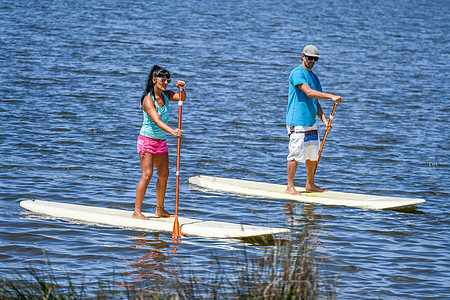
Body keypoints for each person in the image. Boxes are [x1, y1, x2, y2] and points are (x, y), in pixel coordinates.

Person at [285, 45, 342, 195]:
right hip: (297, 120)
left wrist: (324, 120)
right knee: (295, 154)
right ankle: (289, 187)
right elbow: (309, 93)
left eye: (315, 59)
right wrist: (330, 96)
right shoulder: (297, 73)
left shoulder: (314, 77)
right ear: (303, 56)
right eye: (309, 58)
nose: (312, 61)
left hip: (311, 121)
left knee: (312, 154)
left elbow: (315, 101)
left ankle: (310, 184)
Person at [133, 65, 186, 219]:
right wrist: (173, 131)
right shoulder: (147, 99)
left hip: (161, 141)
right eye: (163, 80)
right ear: (154, 80)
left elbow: (182, 98)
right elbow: (156, 120)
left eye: (168, 80)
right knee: (147, 175)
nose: (166, 82)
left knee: (164, 174)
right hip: (146, 141)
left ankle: (160, 210)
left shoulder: (167, 94)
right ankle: (137, 212)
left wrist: (182, 88)